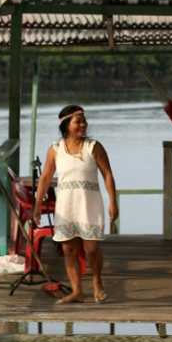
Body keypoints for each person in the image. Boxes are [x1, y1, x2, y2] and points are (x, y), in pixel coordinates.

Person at [32, 105, 118, 304]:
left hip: (89, 205)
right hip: (66, 206)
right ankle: (77, 290)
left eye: (84, 121)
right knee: (68, 249)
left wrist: (113, 201)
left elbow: (107, 174)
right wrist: (38, 204)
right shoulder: (55, 149)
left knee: (91, 248)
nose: (83, 125)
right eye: (78, 121)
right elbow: (45, 177)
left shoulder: (94, 146)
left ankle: (97, 283)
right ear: (66, 125)